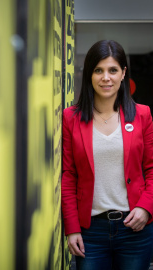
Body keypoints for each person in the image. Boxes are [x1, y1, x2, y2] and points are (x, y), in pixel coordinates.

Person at [61, 40, 153, 270]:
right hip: (90, 232)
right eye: (98, 70)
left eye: (113, 70)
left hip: (135, 228)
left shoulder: (142, 114)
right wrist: (72, 228)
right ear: (89, 74)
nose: (106, 77)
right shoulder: (71, 118)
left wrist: (145, 207)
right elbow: (69, 175)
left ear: (123, 73)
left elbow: (151, 169)